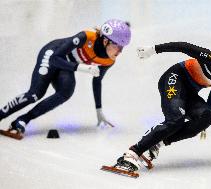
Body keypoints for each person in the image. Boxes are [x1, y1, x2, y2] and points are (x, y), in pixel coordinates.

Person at [112, 33, 211, 172]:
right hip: (174, 78)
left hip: (190, 91)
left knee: (206, 119)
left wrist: (205, 116)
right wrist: (153, 50)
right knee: (176, 120)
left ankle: (157, 143)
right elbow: (184, 47)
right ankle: (131, 153)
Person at [0, 19, 131, 138]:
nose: (120, 52)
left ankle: (22, 120)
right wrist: (81, 68)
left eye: (122, 48)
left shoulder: (109, 60)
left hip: (66, 65)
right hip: (52, 53)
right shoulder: (86, 37)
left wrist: (99, 110)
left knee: (66, 92)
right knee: (35, 94)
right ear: (105, 40)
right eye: (118, 46)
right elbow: (55, 58)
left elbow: (97, 80)